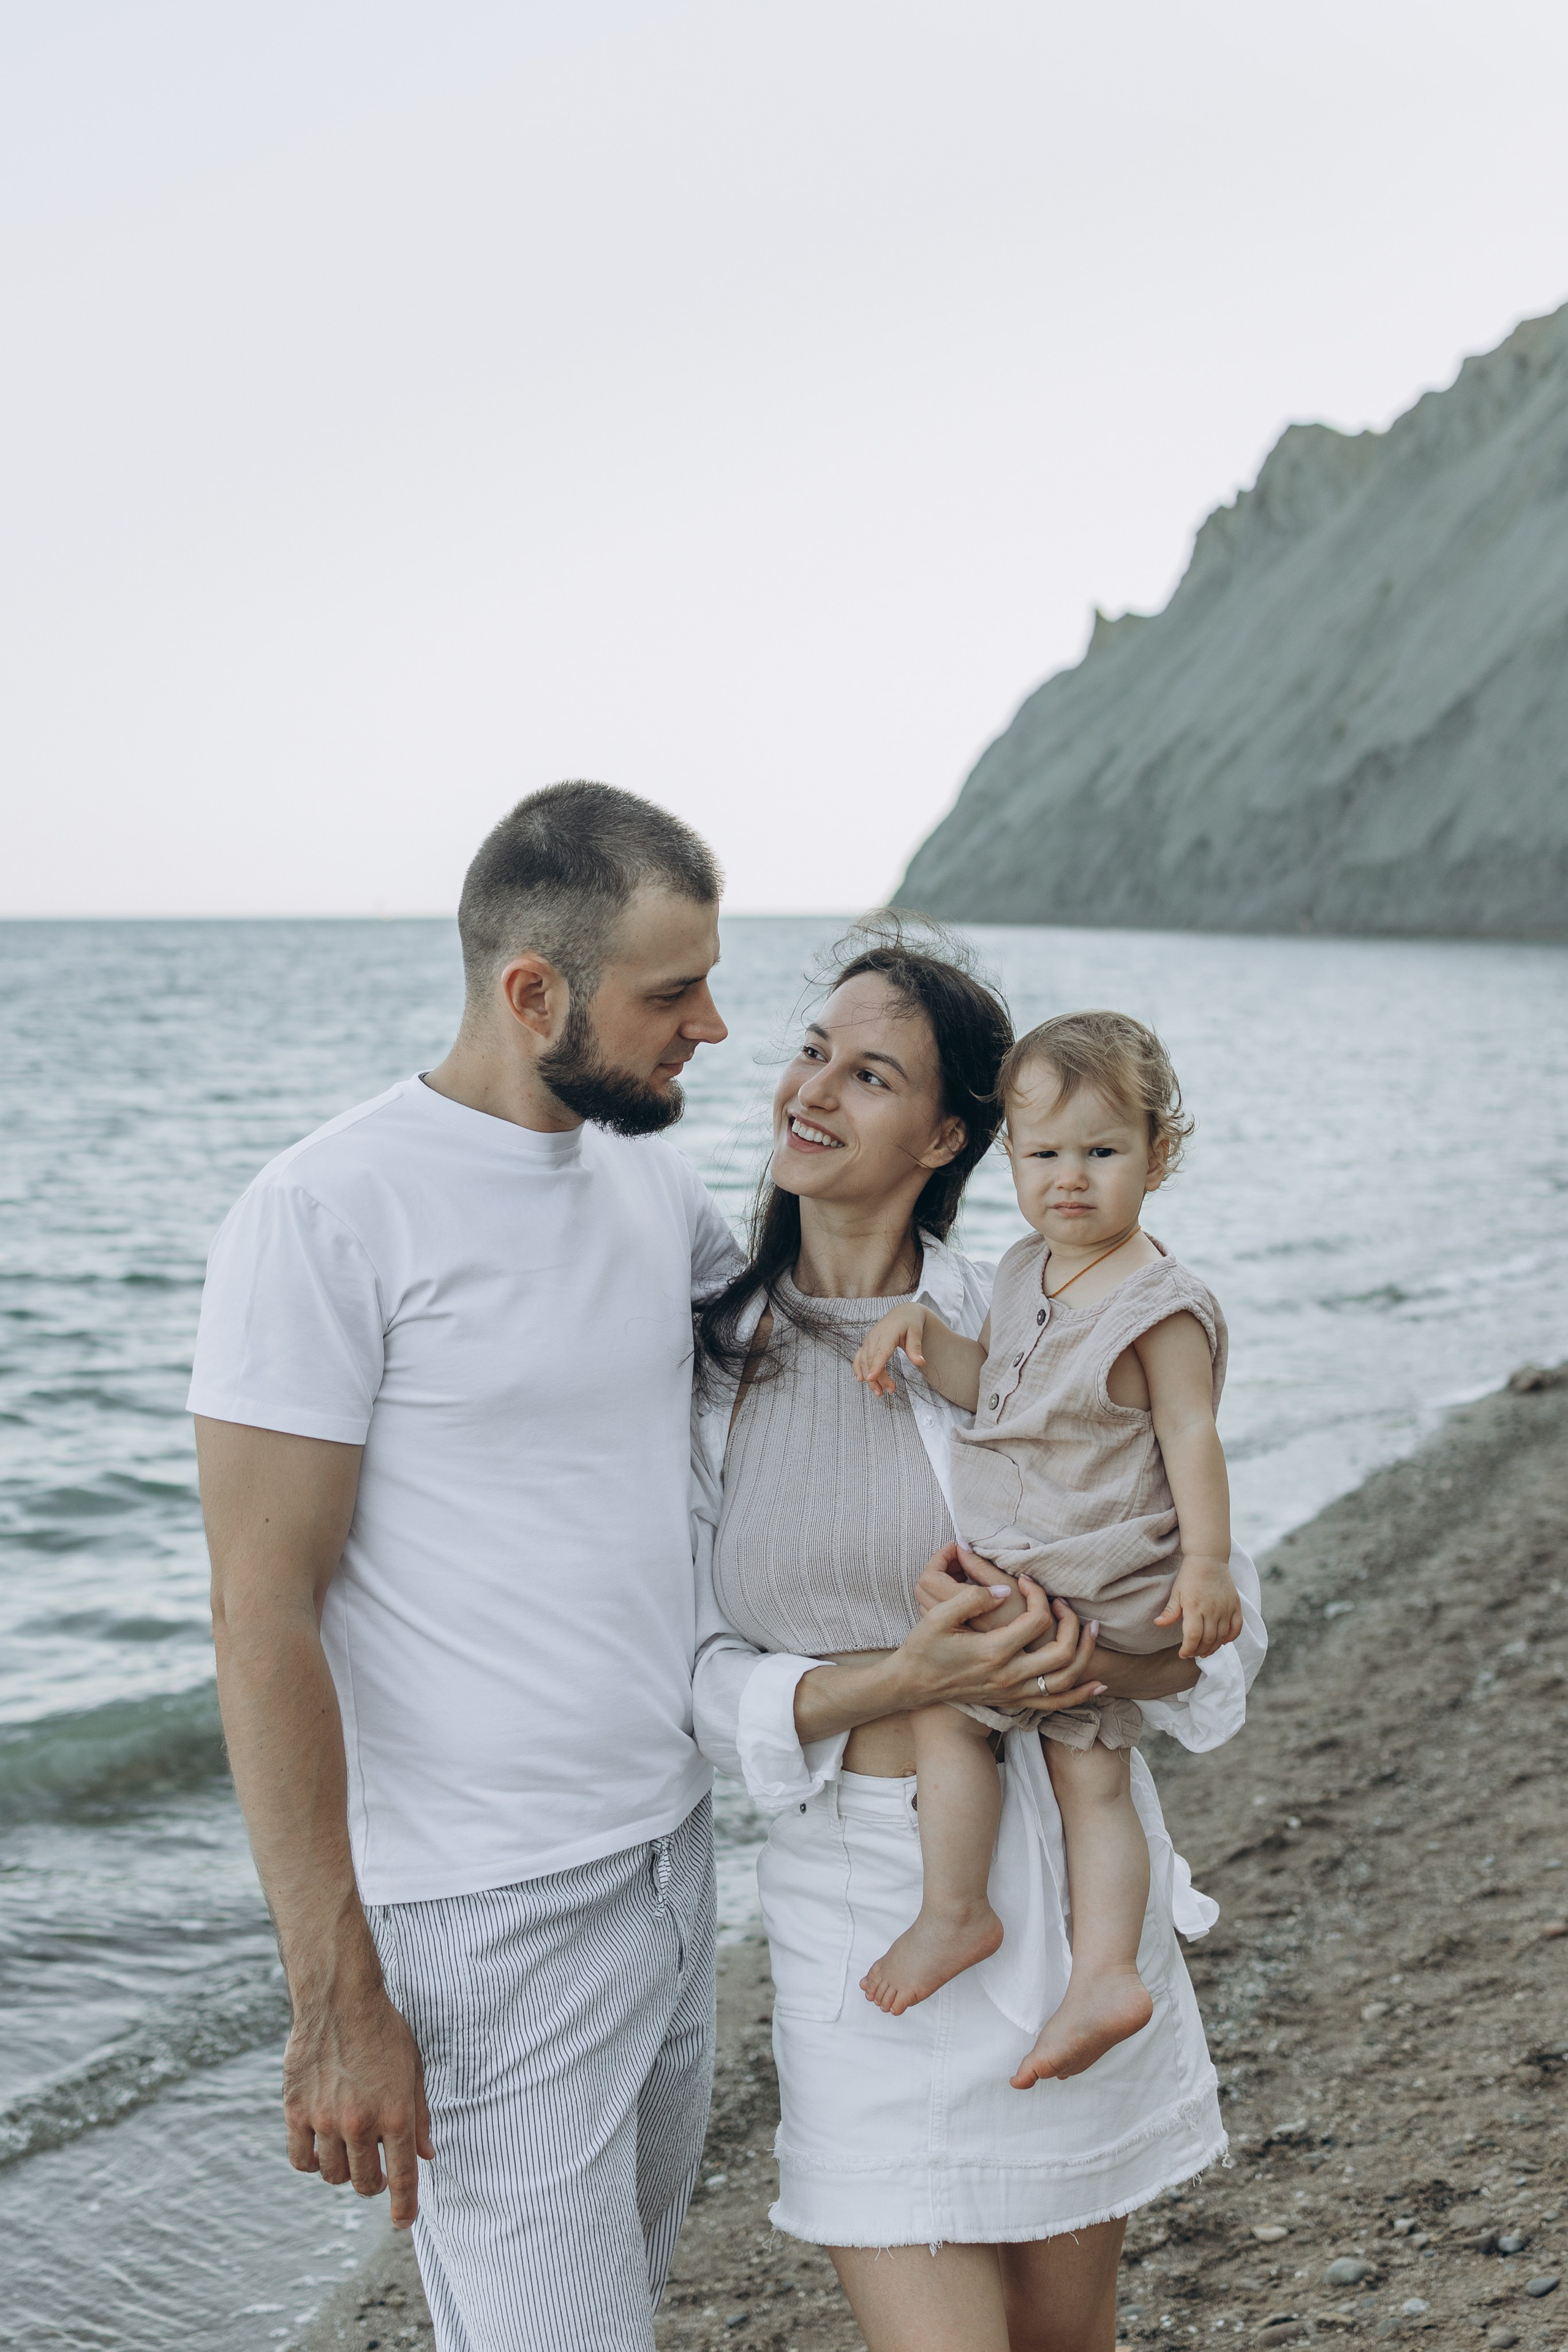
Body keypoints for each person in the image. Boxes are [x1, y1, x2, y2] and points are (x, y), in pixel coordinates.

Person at [190, 782, 741, 2352]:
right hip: (483, 1922)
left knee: (608, 2307)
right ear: (531, 992)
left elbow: (793, 1367)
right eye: (672, 991)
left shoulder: (650, 1173)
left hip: (671, 1855)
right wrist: (334, 1994)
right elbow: (259, 1615)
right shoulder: (323, 1213)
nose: (710, 1023)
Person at [690, 929, 1267, 2352]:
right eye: (810, 1050)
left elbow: (1205, 1630)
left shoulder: (1024, 1316)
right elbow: (678, 1679)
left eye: (868, 1071)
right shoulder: (699, 1357)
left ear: (949, 1133)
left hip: (1059, 1887)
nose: (810, 1091)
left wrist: (1077, 1658)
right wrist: (904, 1677)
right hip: (856, 1920)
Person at [853, 1010, 1243, 2090]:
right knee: (1091, 1772)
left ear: (1159, 1158)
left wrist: (1206, 1565)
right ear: (1011, 1159)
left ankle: (956, 1908)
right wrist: (924, 1337)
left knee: (944, 1705)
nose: (1071, 1180)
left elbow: (1190, 1434)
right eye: (1044, 1155)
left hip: (1093, 1572)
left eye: (1103, 1153)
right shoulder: (1030, 1266)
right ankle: (1108, 1970)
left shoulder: (1159, 1305)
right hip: (1057, 1569)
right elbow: (1003, 1391)